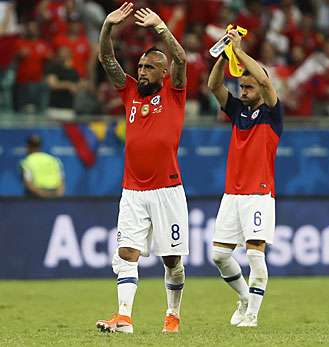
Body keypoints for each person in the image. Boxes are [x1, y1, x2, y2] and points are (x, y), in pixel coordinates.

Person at [94, 3, 188, 334]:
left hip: (167, 190)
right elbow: (107, 59)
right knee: (126, 252)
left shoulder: (175, 94)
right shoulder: (131, 91)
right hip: (133, 190)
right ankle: (124, 318)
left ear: (164, 73)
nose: (143, 70)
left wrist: (162, 27)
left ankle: (173, 314)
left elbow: (182, 59)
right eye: (142, 65)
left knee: (172, 262)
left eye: (150, 67)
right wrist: (107, 26)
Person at [207, 28, 283, 328]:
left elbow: (264, 79)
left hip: (259, 195)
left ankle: (252, 315)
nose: (243, 90)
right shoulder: (238, 110)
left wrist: (239, 51)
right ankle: (243, 298)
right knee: (219, 256)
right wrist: (225, 54)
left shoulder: (273, 114)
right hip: (232, 194)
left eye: (248, 87)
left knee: (254, 255)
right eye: (241, 86)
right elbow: (214, 86)